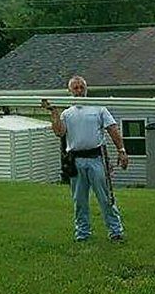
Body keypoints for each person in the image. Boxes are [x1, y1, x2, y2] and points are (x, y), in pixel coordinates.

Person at [42, 76, 129, 242]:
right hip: (76, 160)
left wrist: (121, 150)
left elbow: (113, 129)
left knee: (106, 198)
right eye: (75, 88)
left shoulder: (99, 109)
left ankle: (115, 231)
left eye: (81, 87)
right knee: (79, 200)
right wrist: (54, 112)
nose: (79, 91)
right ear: (70, 91)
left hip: (97, 159)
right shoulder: (67, 113)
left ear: (86, 89)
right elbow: (59, 132)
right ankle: (82, 233)